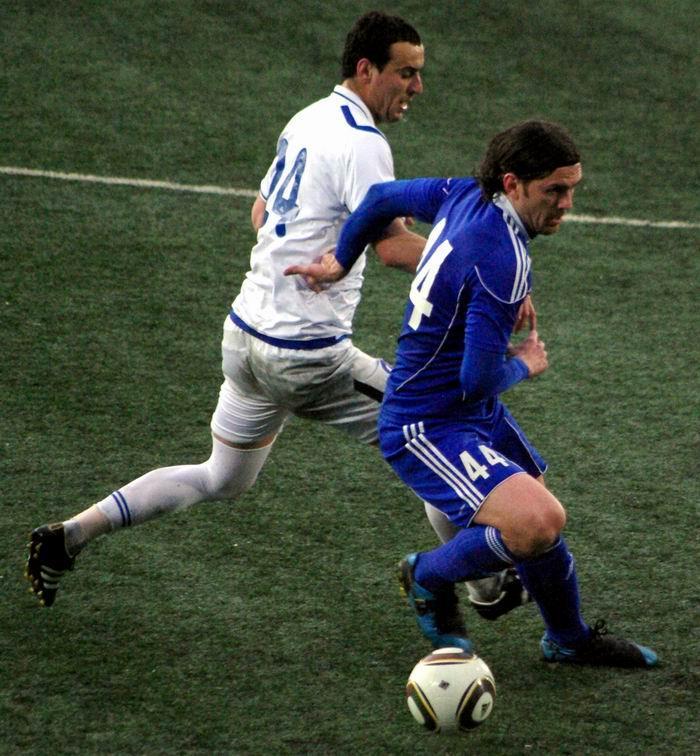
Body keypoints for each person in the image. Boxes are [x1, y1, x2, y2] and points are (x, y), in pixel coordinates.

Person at [25, 11, 524, 616]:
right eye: (406, 73)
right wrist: (478, 266)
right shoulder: (365, 144)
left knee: (222, 477)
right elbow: (393, 247)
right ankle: (486, 587)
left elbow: (260, 214)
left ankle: (70, 535)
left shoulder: (308, 117)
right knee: (436, 431)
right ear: (366, 70)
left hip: (245, 338)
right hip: (308, 356)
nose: (417, 87)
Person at [294, 119, 658, 667]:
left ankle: (568, 638)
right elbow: (477, 377)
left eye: (572, 188)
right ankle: (427, 576)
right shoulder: (502, 259)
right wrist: (525, 364)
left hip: (466, 410)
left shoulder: (465, 194)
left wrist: (341, 259)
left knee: (535, 512)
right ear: (513, 184)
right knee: (536, 521)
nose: (567, 204)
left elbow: (381, 198)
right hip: (427, 422)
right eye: (554, 191)